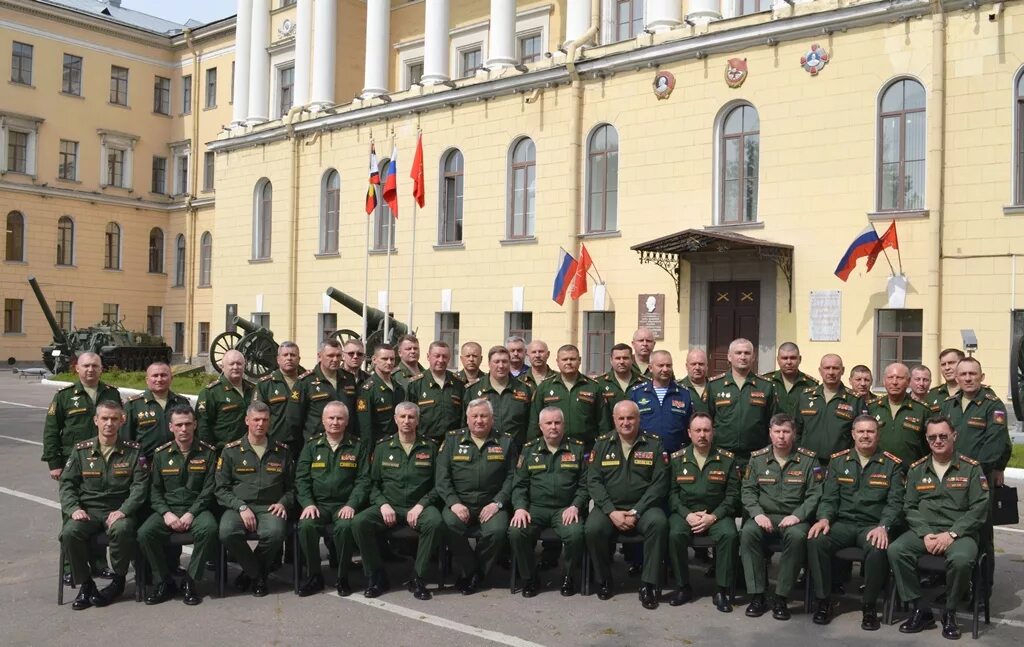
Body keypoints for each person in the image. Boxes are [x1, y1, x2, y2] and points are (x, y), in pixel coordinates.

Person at [888, 416, 990, 639]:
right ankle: (919, 608)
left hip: (959, 533)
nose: (938, 440)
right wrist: (925, 533)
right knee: (896, 550)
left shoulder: (971, 468)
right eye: (932, 437)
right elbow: (910, 506)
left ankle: (950, 612)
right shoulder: (917, 469)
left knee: (962, 560)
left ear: (954, 436)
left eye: (943, 435)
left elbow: (979, 508)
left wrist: (952, 534)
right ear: (926, 439)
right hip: (926, 531)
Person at [806, 415, 905, 630]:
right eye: (861, 431)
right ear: (853, 434)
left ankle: (868, 606)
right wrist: (824, 518)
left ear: (878, 435)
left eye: (870, 431)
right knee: (816, 540)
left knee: (877, 547)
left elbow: (895, 503)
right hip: (842, 524)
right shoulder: (838, 460)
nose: (865, 436)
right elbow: (829, 497)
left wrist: (884, 526)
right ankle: (823, 601)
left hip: (872, 525)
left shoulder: (892, 465)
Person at [59, 400, 148, 609]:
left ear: (122, 421)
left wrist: (124, 510)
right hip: (88, 511)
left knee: (122, 529)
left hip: (120, 510)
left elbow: (140, 487)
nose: (109, 423)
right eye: (105, 418)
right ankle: (86, 583)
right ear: (96, 420)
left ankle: (118, 581)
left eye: (114, 419)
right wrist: (74, 509)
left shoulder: (134, 451)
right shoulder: (81, 450)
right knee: (70, 532)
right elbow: (67, 484)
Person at [351, 402, 442, 600]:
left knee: (435, 522)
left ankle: (418, 577)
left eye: (411, 417)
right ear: (395, 419)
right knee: (359, 522)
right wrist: (382, 504)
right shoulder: (383, 447)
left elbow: (439, 484)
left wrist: (422, 505)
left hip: (420, 507)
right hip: (388, 505)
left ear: (418, 420)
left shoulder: (431, 447)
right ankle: (376, 575)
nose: (406, 421)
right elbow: (372, 483)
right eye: (402, 417)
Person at [585, 400, 669, 609]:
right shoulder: (602, 444)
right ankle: (604, 579)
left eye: (630, 418)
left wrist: (637, 511)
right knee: (592, 528)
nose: (626, 422)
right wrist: (611, 511)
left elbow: (660, 483)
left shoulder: (654, 443)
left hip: (644, 507)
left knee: (659, 524)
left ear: (639, 419)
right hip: (609, 508)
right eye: (621, 418)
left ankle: (649, 584)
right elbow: (593, 481)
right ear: (614, 420)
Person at [739, 413, 823, 621]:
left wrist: (798, 515)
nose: (781, 437)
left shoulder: (808, 459)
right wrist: (757, 514)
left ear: (794, 434)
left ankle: (781, 597)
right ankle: (758, 595)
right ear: (770, 433)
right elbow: (747, 491)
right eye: (777, 432)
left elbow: (815, 494)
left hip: (795, 519)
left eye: (786, 432)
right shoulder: (757, 458)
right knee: (748, 532)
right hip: (764, 516)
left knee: (796, 537)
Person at [940, 357, 1010, 594]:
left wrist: (967, 471)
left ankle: (981, 591)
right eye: (964, 374)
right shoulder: (948, 405)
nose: (968, 378)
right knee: (950, 528)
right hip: (947, 477)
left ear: (982, 376)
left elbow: (995, 445)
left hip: (978, 479)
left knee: (980, 534)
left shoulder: (993, 405)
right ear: (956, 378)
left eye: (973, 374)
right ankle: (954, 586)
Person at [137, 405, 218, 606]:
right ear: (171, 427)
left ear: (195, 425)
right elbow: (154, 490)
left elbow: (209, 490)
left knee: (209, 529)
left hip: (197, 509)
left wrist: (192, 513)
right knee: (145, 533)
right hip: (169, 509)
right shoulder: (161, 454)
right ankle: (163, 581)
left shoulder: (208, 453)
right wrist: (166, 513)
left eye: (188, 424)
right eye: (179, 425)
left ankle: (191, 581)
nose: (184, 429)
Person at [435, 398, 517, 595]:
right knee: (448, 525)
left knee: (497, 531)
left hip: (491, 503)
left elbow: (513, 477)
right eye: (475, 416)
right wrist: (453, 503)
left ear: (492, 418)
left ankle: (473, 573)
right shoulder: (452, 439)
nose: (479, 420)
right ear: (467, 418)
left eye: (484, 416)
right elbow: (442, 477)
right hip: (459, 502)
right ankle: (473, 571)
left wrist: (497, 503)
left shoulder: (506, 441)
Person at [215, 401, 295, 597]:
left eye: (265, 420)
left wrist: (283, 502)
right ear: (247, 421)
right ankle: (257, 575)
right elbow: (220, 488)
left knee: (276, 534)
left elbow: (293, 487)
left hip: (271, 507)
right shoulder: (230, 451)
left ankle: (249, 573)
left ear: (270, 422)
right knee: (227, 532)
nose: (260, 424)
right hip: (238, 507)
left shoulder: (282, 451)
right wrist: (240, 507)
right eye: (256, 419)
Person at [508, 407, 588, 597]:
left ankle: (568, 575)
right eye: (549, 423)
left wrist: (576, 505)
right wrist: (520, 508)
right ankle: (529, 577)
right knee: (516, 531)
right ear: (540, 427)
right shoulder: (529, 450)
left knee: (576, 534)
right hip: (535, 509)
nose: (553, 427)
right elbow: (519, 485)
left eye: (557, 423)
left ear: (564, 425)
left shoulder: (577, 448)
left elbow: (585, 485)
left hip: (565, 509)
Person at [666, 413, 739, 612]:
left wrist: (713, 516)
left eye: (706, 430)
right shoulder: (677, 459)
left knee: (729, 535)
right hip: (685, 513)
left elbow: (733, 496)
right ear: (689, 433)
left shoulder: (727, 459)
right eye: (697, 430)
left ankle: (721, 590)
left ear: (713, 432)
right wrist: (686, 514)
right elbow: (671, 494)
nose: (702, 435)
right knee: (674, 534)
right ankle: (683, 586)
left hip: (716, 514)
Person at [295, 401, 368, 597]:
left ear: (346, 421)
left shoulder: (357, 446)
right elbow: (301, 479)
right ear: (323, 420)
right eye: (331, 418)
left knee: (345, 527)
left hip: (344, 505)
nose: (335, 422)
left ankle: (342, 577)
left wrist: (352, 504)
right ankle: (314, 575)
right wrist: (307, 503)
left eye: (339, 418)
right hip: (318, 505)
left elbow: (363, 480)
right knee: (306, 526)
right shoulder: (311, 446)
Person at [43, 351, 122, 480]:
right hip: (73, 459)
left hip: (107, 456)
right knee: (72, 498)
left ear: (101, 369)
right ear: (77, 368)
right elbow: (51, 430)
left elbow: (120, 425)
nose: (90, 370)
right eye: (86, 366)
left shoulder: (112, 394)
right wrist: (54, 463)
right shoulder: (64, 396)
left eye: (95, 366)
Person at [707, 338, 779, 464]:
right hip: (722, 453)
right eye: (738, 353)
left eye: (747, 353)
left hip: (756, 455)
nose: (743, 357)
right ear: (729, 357)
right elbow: (707, 419)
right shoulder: (714, 385)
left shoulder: (766, 386)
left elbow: (773, 421)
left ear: (753, 357)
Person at [527, 345, 604, 451]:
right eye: (564, 359)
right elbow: (534, 422)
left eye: (572, 359)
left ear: (579, 360)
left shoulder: (593, 387)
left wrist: (602, 449)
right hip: (553, 450)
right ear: (557, 362)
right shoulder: (544, 387)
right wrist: (533, 449)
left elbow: (603, 423)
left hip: (586, 449)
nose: (568, 362)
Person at [794, 354, 866, 462]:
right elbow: (795, 430)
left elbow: (861, 433)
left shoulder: (854, 400)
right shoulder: (805, 397)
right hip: (808, 462)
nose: (831, 372)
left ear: (842, 371)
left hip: (841, 463)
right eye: (827, 368)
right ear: (820, 370)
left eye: (835, 368)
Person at [464, 346, 533, 450]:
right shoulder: (473, 390)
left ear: (509, 363)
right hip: (483, 450)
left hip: (515, 450)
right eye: (496, 362)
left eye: (505, 362)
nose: (501, 366)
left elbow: (531, 424)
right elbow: (465, 423)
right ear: (489, 363)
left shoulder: (524, 389)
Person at [291, 339, 357, 443]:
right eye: (330, 356)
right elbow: (294, 420)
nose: (335, 359)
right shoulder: (306, 381)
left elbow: (353, 413)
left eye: (338, 356)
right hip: (316, 444)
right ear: (319, 356)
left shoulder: (348, 378)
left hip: (345, 443)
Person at [866, 363, 931, 466]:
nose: (894, 382)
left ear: (908, 382)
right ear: (884, 381)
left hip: (911, 473)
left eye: (900, 378)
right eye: (890, 377)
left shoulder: (923, 410)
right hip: (877, 472)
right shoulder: (871, 408)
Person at [123, 361, 191, 459]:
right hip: (145, 463)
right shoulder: (133, 405)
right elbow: (125, 439)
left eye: (163, 375)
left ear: (171, 379)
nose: (159, 379)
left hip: (175, 461)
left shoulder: (182, 402)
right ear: (147, 380)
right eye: (155, 376)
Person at [630, 350, 691, 454]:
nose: (665, 369)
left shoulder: (683, 393)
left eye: (668, 365)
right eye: (661, 365)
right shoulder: (638, 393)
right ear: (650, 368)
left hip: (676, 454)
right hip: (645, 453)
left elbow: (689, 424)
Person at [407, 341, 466, 442]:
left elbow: (464, 416)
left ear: (449, 358)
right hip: (424, 442)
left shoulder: (458, 384)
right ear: (428, 357)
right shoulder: (415, 384)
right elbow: (409, 416)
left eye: (444, 356)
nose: (441, 360)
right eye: (437, 356)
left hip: (452, 442)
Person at [197, 349, 253, 450]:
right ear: (222, 367)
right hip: (223, 452)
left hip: (249, 451)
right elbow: (203, 428)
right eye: (231, 364)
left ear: (244, 366)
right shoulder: (210, 393)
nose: (235, 367)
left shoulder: (253, 390)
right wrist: (209, 453)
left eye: (239, 364)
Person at [253, 341, 303, 450]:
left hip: (303, 443)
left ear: (299, 359)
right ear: (278, 359)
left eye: (293, 355)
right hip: (275, 443)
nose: (289, 358)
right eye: (285, 355)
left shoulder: (307, 381)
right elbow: (257, 414)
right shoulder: (265, 384)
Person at [356, 344, 407, 448]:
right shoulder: (367, 389)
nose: (389, 362)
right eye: (384, 359)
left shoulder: (398, 388)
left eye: (392, 359)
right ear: (374, 360)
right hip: (378, 446)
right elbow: (365, 426)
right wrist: (368, 452)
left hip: (398, 444)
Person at [596, 343, 647, 433]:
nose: (621, 361)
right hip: (609, 438)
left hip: (640, 437)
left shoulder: (645, 383)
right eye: (618, 358)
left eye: (625, 358)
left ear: (632, 360)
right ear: (611, 360)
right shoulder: (599, 384)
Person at [762, 343, 819, 418]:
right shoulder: (766, 382)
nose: (789, 362)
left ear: (800, 359)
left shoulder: (811, 384)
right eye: (784, 358)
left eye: (793, 358)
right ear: (778, 360)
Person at [927, 348, 966, 412]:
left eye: (951, 363)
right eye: (943, 364)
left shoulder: (972, 392)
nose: (947, 368)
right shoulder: (932, 395)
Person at [679, 349, 710, 415]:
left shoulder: (714, 386)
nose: (697, 367)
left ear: (707, 366)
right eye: (693, 364)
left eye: (701, 364)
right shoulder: (677, 387)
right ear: (687, 366)